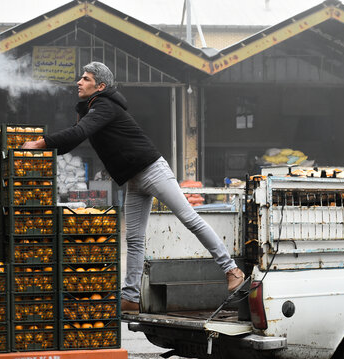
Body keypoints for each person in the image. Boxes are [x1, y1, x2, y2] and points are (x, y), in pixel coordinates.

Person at [22, 61, 245, 313]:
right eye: (80, 78)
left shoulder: (104, 106)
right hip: (134, 179)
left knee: (189, 218)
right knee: (135, 239)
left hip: (152, 170)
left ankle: (232, 270)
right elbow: (77, 133)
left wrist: (41, 143)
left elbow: (79, 132)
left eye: (85, 79)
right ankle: (130, 297)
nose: (79, 82)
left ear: (100, 86)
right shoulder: (93, 108)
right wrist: (50, 141)